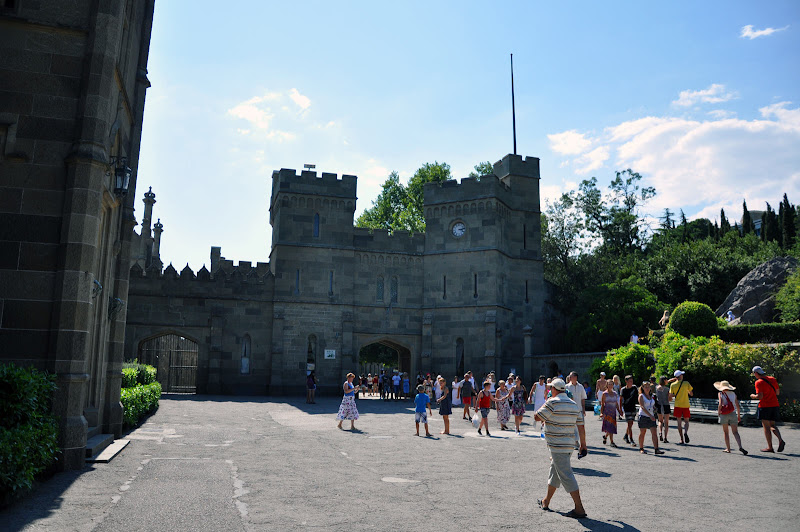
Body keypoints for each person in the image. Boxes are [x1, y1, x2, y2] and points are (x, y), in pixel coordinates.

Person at [534, 378, 586, 519]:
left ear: (554, 389)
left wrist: (547, 402)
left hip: (557, 445)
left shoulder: (552, 402)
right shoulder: (573, 404)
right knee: (555, 472)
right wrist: (583, 445)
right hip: (569, 445)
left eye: (551, 388)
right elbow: (581, 426)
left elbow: (537, 416)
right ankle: (546, 501)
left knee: (566, 475)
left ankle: (579, 508)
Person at [749, 366, 785, 453]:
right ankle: (780, 439)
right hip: (774, 405)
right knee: (773, 425)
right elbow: (777, 392)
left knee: (766, 427)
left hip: (765, 406)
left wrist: (753, 396)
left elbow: (760, 396)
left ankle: (770, 447)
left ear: (756, 373)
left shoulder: (759, 382)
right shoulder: (772, 379)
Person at [715, 380, 747, 455]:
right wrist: (738, 415)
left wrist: (718, 413)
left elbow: (720, 404)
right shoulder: (733, 394)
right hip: (733, 413)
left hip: (724, 414)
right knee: (735, 432)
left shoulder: (720, 393)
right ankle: (740, 446)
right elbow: (737, 405)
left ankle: (728, 449)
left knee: (726, 432)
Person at [637, 381, 664, 454]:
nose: (647, 388)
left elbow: (653, 405)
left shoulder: (651, 396)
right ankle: (641, 448)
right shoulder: (641, 396)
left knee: (654, 432)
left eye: (648, 387)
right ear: (642, 388)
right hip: (643, 416)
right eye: (645, 387)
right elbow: (642, 407)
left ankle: (656, 449)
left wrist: (654, 409)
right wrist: (650, 415)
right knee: (643, 432)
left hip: (651, 415)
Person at [566, 371, 588, 458]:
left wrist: (584, 409)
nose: (570, 378)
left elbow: (583, 398)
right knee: (572, 427)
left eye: (571, 376)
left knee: (581, 428)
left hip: (579, 410)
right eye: (570, 377)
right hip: (570, 411)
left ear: (575, 378)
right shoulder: (566, 387)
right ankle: (574, 442)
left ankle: (578, 442)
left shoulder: (580, 387)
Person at [669, 370, 693, 445]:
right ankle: (685, 432)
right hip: (685, 405)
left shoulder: (673, 385)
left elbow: (670, 396)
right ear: (680, 376)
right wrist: (687, 392)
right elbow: (691, 394)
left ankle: (681, 439)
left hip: (677, 405)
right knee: (686, 421)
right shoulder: (686, 383)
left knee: (679, 423)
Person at [601, 380, 623, 447]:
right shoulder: (604, 394)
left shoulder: (615, 393)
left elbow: (616, 403)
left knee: (611, 427)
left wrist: (619, 411)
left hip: (613, 412)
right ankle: (612, 442)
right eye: (609, 384)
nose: (610, 386)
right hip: (607, 412)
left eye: (611, 384)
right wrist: (601, 413)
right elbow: (602, 404)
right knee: (609, 427)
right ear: (607, 385)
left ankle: (605, 436)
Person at [621, 375, 639, 446]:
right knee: (629, 423)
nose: (631, 383)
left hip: (633, 407)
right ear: (626, 381)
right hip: (627, 408)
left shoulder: (634, 388)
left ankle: (626, 435)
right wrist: (620, 409)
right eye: (630, 381)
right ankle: (631, 439)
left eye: (632, 381)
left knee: (631, 424)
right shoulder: (623, 390)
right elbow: (621, 399)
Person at [655, 376, 671, 443]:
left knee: (660, 421)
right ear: (664, 380)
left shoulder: (657, 388)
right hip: (666, 405)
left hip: (659, 405)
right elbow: (669, 398)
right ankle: (665, 437)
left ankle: (660, 432)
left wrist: (670, 380)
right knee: (666, 422)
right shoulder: (667, 389)